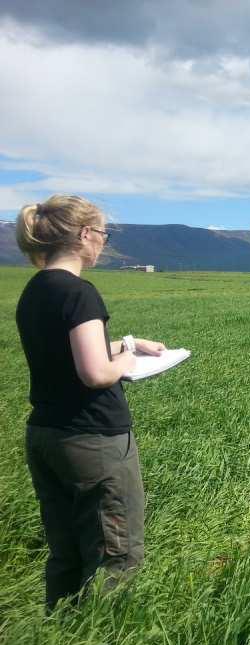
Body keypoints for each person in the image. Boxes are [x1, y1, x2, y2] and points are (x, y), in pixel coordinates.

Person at [15, 194, 165, 612]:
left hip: (46, 434)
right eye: (102, 233)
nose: (103, 241)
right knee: (114, 555)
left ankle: (60, 637)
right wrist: (126, 361)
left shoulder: (36, 290)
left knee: (66, 552)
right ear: (84, 235)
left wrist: (130, 343)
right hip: (92, 440)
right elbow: (95, 373)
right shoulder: (80, 292)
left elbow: (68, 351)